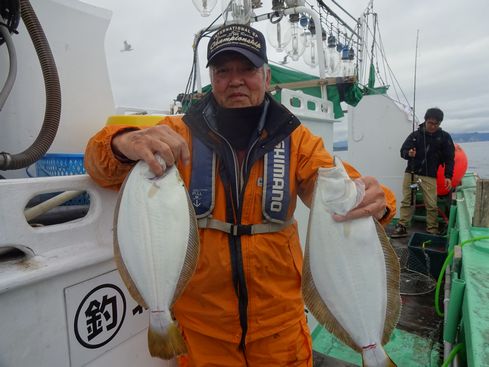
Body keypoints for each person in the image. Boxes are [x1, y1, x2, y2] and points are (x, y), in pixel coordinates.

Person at [85, 24, 396, 367]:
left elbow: (337, 181)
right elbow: (101, 166)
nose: (235, 80)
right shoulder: (175, 135)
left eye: (246, 69)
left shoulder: (296, 140)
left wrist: (377, 200)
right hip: (204, 331)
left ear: (265, 75)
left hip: (280, 328)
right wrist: (124, 142)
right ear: (212, 78)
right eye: (223, 71)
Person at [391, 107, 455, 238]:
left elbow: (450, 158)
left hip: (430, 176)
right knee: (408, 201)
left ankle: (432, 229)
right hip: (412, 173)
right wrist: (409, 153)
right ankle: (402, 226)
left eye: (436, 124)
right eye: (430, 123)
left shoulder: (444, 137)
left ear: (440, 123)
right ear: (425, 121)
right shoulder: (415, 136)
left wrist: (448, 176)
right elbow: (402, 151)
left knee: (431, 203)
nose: (433, 126)